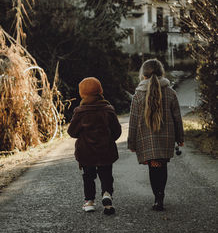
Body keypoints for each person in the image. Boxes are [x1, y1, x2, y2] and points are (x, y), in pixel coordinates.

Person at [128, 59, 184, 211]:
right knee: (162, 165)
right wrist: (180, 138)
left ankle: (157, 197)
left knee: (154, 167)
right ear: (161, 73)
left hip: (146, 139)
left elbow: (133, 121)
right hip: (166, 138)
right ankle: (160, 196)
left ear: (143, 75)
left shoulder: (138, 94)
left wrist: (131, 143)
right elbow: (177, 118)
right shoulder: (171, 92)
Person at [67, 77, 122, 215]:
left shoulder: (80, 112)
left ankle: (89, 201)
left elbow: (72, 132)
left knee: (88, 176)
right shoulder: (108, 109)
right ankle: (107, 195)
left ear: (82, 94)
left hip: (86, 152)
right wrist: (109, 140)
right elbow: (117, 131)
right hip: (106, 150)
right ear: (100, 91)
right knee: (106, 175)